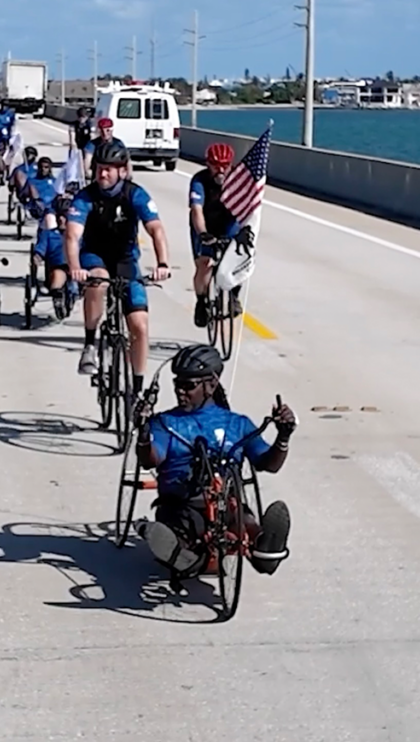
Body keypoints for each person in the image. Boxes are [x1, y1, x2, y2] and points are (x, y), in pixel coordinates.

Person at [133, 344, 295, 580]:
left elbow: (268, 463)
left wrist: (283, 435)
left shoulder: (237, 424)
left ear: (210, 384)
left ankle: (264, 547)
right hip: (181, 504)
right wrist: (145, 433)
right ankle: (182, 554)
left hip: (227, 505)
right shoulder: (165, 422)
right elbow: (151, 459)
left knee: (241, 516)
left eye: (188, 386)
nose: (180, 392)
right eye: (177, 384)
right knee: (181, 528)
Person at [65, 140, 170, 394]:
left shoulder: (135, 194)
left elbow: (155, 229)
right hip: (94, 257)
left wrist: (162, 263)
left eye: (109, 169)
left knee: (140, 326)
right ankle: (90, 344)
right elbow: (72, 236)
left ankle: (136, 389)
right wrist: (75, 267)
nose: (103, 173)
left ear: (122, 171)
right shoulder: (85, 197)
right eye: (100, 168)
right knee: (98, 281)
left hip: (126, 260)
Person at [189, 142, 255, 323]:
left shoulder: (237, 179)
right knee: (205, 264)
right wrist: (202, 233)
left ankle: (234, 296)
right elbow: (196, 210)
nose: (221, 170)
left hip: (228, 223)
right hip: (205, 223)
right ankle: (201, 302)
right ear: (208, 164)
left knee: (238, 257)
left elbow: (248, 208)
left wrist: (244, 229)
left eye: (225, 165)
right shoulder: (199, 180)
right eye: (216, 165)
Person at [34, 194, 79, 320]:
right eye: (59, 216)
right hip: (57, 267)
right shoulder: (48, 234)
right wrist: (37, 257)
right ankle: (58, 296)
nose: (61, 220)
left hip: (77, 268)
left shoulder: (78, 234)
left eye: (65, 217)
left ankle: (71, 295)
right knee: (59, 274)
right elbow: (40, 249)